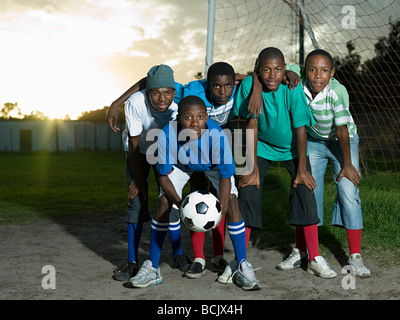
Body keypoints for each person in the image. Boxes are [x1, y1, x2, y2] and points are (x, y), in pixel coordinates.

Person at [127, 95, 261, 290]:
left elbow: (225, 176)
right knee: (164, 201)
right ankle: (153, 268)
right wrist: (181, 204)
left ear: (206, 117)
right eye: (188, 117)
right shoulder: (167, 135)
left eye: (200, 117)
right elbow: (163, 177)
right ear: (179, 118)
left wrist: (221, 211)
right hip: (181, 164)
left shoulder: (217, 136)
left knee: (231, 200)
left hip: (212, 166)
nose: (194, 122)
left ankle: (242, 265)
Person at [233, 47, 337, 279]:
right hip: (257, 144)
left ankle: (314, 257)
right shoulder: (249, 87)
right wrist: (252, 167)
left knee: (305, 187)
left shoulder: (292, 88)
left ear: (285, 71)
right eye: (267, 70)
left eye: (278, 69)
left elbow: (300, 129)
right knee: (247, 187)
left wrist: (301, 169)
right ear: (258, 68)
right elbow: (248, 126)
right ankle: (240, 260)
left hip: (292, 147)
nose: (272, 75)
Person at [279, 49, 370, 277]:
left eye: (324, 71)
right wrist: (280, 73)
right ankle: (303, 251)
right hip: (313, 141)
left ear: (332, 73)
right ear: (304, 70)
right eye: (312, 70)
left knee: (348, 191)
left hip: (342, 141)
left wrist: (347, 164)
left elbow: (341, 130)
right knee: (308, 191)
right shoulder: (297, 80)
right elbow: (273, 66)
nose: (318, 75)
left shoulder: (338, 91)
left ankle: (355, 256)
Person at [112, 65, 191, 282]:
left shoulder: (181, 100)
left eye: (167, 92)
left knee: (168, 200)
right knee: (136, 201)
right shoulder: (136, 102)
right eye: (155, 93)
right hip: (138, 150)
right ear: (148, 93)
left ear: (174, 90)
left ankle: (178, 255)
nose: (161, 98)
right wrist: (139, 181)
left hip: (165, 150)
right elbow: (135, 144)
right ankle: (132, 261)